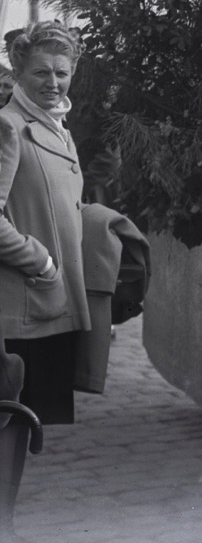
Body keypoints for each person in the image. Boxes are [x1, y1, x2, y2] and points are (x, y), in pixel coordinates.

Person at [0, 23, 89, 430]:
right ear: (19, 72)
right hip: (27, 304)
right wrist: (41, 261)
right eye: (41, 72)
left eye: (61, 72)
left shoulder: (56, 125)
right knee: (21, 434)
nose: (53, 83)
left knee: (41, 433)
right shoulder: (9, 126)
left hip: (55, 301)